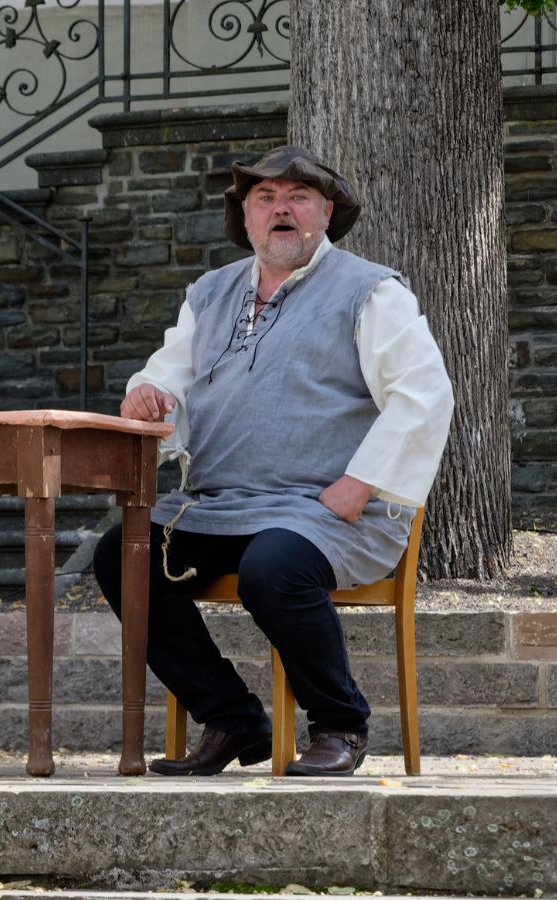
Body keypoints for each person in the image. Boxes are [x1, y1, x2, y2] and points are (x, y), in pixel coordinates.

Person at [93, 146, 454, 777]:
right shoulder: (209, 293)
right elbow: (167, 377)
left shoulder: (369, 290)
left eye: (297, 197)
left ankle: (341, 723)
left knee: (274, 567)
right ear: (246, 215)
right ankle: (233, 718)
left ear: (326, 212)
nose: (280, 209)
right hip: (221, 509)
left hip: (332, 512)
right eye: (266, 198)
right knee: (121, 556)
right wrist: (149, 395)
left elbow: (423, 395)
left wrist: (358, 484)